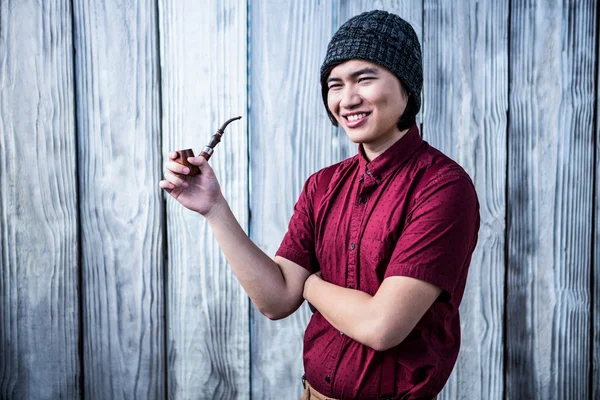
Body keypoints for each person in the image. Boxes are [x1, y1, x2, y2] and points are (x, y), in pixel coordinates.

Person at [160, 9, 479, 400]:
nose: (347, 99)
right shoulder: (322, 186)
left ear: (407, 86)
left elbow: (382, 326)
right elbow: (277, 300)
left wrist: (308, 283)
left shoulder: (443, 187)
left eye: (365, 79)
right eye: (334, 84)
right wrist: (214, 208)